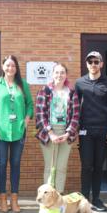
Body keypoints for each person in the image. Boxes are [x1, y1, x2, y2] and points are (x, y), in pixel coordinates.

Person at [0, 55, 34, 213]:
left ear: (16, 68)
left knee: (15, 164)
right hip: (0, 131)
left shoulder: (23, 84)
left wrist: (26, 120)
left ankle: (14, 199)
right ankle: (2, 199)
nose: (10, 68)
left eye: (13, 66)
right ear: (2, 67)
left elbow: (30, 105)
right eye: (7, 65)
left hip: (18, 131)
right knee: (1, 163)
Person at [75, 51, 107, 212]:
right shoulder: (79, 83)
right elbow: (75, 107)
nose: (93, 64)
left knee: (99, 166)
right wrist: (74, 129)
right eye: (90, 62)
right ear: (86, 64)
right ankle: (85, 199)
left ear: (101, 64)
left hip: (103, 131)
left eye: (96, 61)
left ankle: (97, 199)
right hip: (85, 131)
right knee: (87, 166)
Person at [35, 63, 79, 193]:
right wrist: (50, 133)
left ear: (66, 75)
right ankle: (47, 198)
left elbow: (76, 115)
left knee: (61, 167)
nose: (59, 75)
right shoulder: (45, 91)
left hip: (66, 133)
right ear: (52, 74)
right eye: (57, 72)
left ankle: (58, 196)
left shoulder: (71, 92)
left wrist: (68, 132)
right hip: (49, 133)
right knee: (50, 167)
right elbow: (40, 114)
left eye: (62, 72)